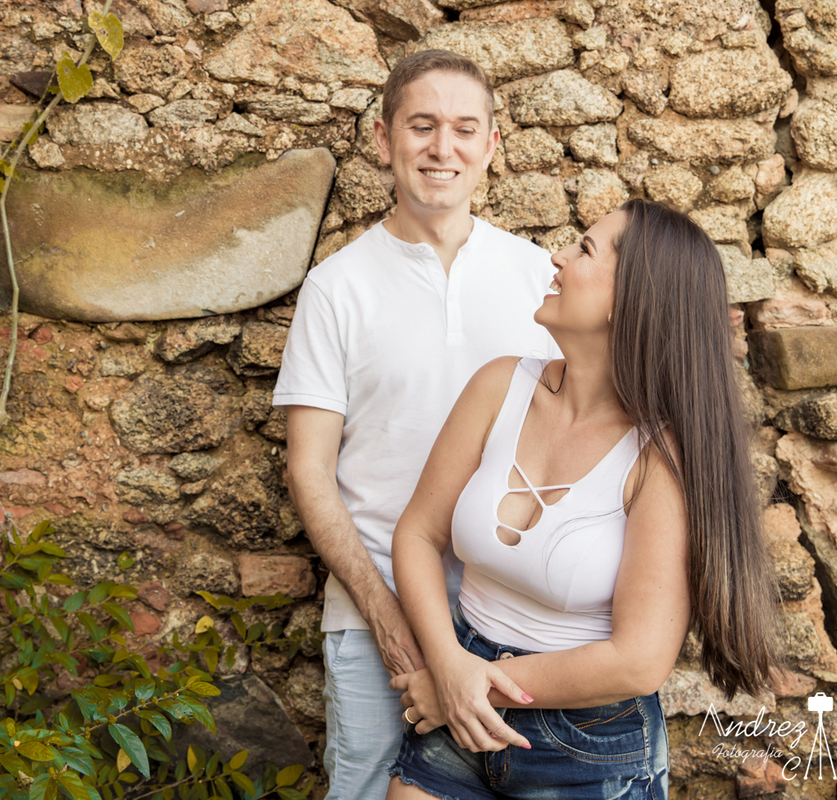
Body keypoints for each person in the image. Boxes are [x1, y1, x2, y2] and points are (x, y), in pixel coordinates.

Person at [385, 199, 782, 800]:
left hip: (587, 739)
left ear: (630, 302)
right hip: (460, 686)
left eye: (585, 249)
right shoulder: (499, 385)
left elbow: (639, 661)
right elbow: (416, 533)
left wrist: (464, 688)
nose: (558, 256)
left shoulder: (659, 457)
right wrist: (447, 664)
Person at [274, 50, 559, 800]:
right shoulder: (335, 288)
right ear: (384, 139)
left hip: (512, 620)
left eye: (465, 129)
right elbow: (309, 469)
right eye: (423, 125)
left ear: (493, 144)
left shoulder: (538, 278)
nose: (444, 148)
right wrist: (387, 614)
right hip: (377, 622)